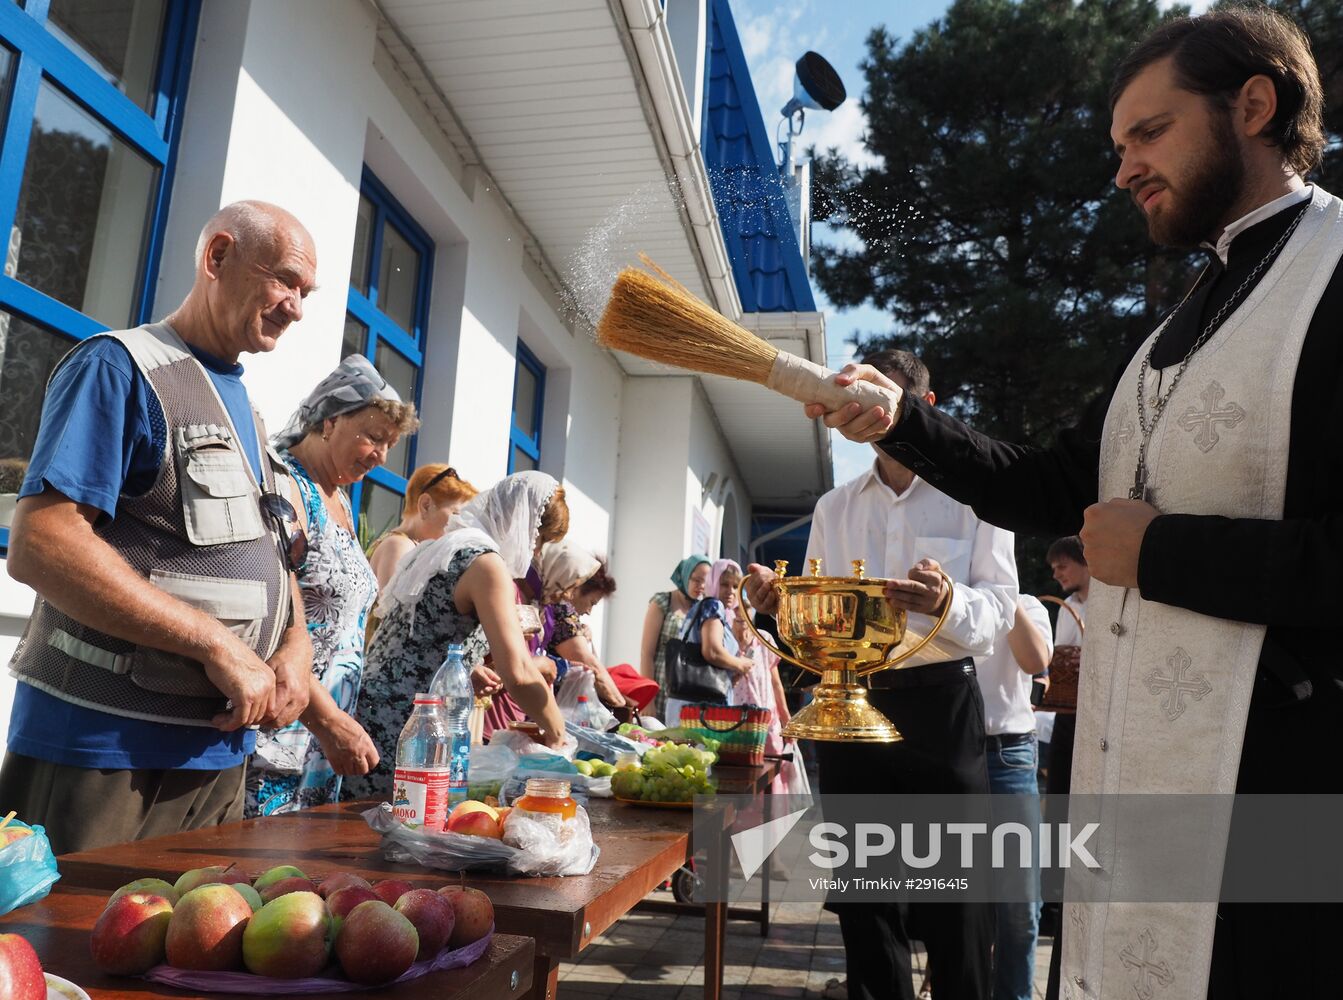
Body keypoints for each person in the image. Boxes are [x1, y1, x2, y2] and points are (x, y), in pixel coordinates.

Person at [804, 9, 1342, 997]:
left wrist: (1163, 554)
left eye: (1148, 133)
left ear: (1253, 106)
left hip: (1278, 803)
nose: (1123, 168)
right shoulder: (1175, 323)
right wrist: (902, 422)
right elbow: (1049, 482)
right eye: (1116, 145)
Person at [0, 201, 317, 853]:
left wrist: (295, 645)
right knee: (74, 924)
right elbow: (42, 544)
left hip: (219, 757)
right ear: (218, 256)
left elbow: (271, 552)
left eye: (305, 292)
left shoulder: (247, 412)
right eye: (286, 280)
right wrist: (218, 645)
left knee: (186, 928)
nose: (296, 308)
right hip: (105, 753)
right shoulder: (119, 368)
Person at [750, 349, 1017, 1000]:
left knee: (956, 898)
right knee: (865, 897)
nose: (862, 412)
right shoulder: (835, 506)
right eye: (853, 398)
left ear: (923, 407)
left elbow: (1002, 611)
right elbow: (815, 625)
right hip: (850, 705)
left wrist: (947, 601)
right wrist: (778, 608)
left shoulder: (976, 497)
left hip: (940, 707)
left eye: (878, 397)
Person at [244, 355, 419, 817]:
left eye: (390, 445)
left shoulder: (337, 497)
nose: (382, 456)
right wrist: (328, 721)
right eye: (374, 437)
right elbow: (273, 619)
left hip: (321, 738)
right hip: (284, 730)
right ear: (330, 421)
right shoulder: (288, 489)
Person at [345, 471, 569, 801]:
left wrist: (465, 671)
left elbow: (423, 638)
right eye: (540, 539)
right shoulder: (485, 563)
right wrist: (559, 734)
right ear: (522, 524)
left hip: (377, 712)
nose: (536, 552)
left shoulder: (442, 549)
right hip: (409, 727)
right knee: (394, 823)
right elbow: (520, 672)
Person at [976, 595, 1052, 1000]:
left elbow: (1035, 660)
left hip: (1009, 753)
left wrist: (1004, 593)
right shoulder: (947, 597)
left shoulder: (1028, 605)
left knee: (1019, 907)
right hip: (948, 748)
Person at [730, 599, 806, 797]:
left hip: (767, 721)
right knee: (743, 777)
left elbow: (775, 683)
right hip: (736, 723)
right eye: (735, 609)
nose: (740, 613)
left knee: (772, 774)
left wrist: (786, 718)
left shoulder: (764, 639)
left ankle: (771, 815)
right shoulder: (725, 642)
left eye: (745, 607)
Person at [664, 559, 753, 728]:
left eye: (736, 586)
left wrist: (731, 672)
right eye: (724, 584)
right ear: (713, 582)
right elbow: (712, 651)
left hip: (693, 705)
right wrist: (740, 664)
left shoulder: (710, 610)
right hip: (700, 710)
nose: (731, 591)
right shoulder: (713, 606)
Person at [539, 542, 626, 710]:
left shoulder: (556, 608)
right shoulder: (563, 610)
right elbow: (591, 665)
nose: (589, 611)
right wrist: (622, 705)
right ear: (578, 588)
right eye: (592, 602)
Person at [367, 464, 478, 590]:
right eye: (456, 514)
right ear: (426, 506)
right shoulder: (400, 546)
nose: (461, 525)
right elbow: (393, 602)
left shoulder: (401, 543)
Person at [640, 554, 711, 721]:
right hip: (659, 692)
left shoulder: (703, 609)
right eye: (696, 580)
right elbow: (647, 653)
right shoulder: (662, 602)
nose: (701, 586)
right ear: (685, 575)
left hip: (687, 698)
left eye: (706, 582)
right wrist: (648, 699)